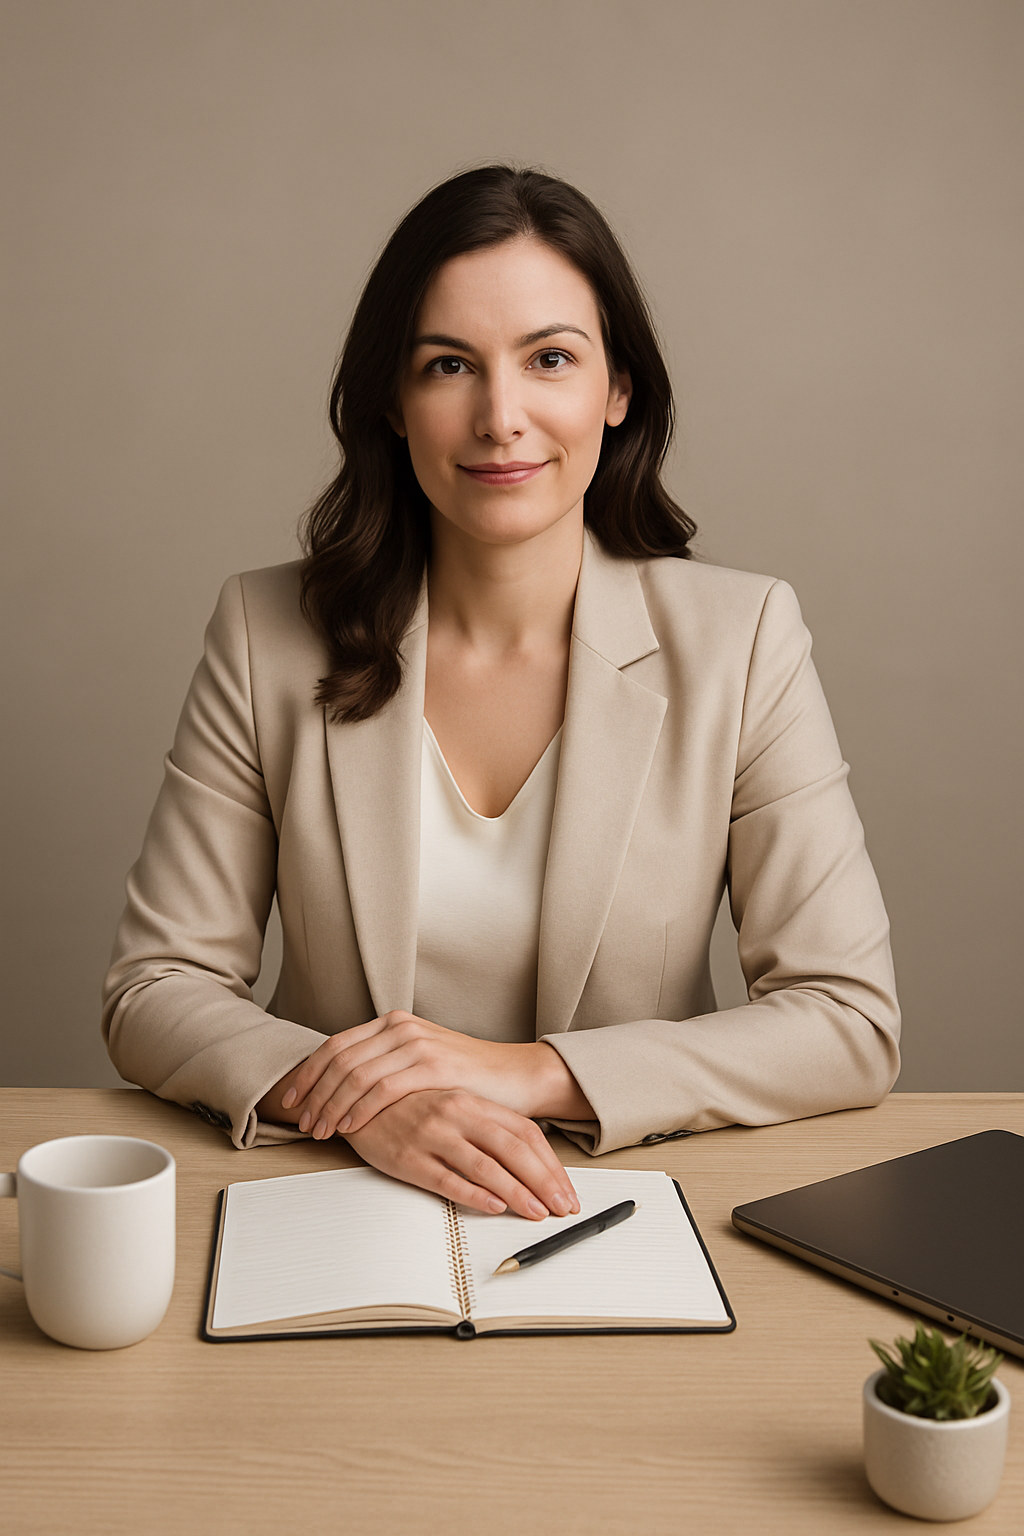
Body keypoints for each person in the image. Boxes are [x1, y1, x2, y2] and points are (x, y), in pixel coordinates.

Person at [102, 165, 900, 1225]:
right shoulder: (265, 634)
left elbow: (847, 1021)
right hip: (332, 1200)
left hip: (624, 1206)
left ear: (617, 390)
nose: (500, 416)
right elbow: (153, 990)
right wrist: (367, 1109)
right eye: (447, 366)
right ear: (392, 399)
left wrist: (518, 1074)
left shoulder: (741, 639)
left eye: (550, 359)